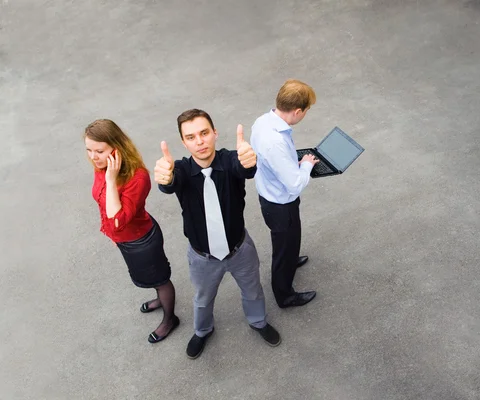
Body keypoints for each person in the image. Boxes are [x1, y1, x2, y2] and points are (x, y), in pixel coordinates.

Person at [154, 109, 281, 360]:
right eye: (191, 137)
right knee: (202, 299)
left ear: (215, 133)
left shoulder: (231, 160)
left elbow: (244, 168)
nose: (199, 141)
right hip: (202, 258)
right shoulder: (180, 170)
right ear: (183, 142)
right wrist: (164, 179)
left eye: (204, 133)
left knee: (253, 290)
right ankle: (202, 330)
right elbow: (169, 182)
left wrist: (250, 161)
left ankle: (258, 321)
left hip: (239, 250)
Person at [84, 119, 179, 344]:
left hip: (141, 241)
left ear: (116, 149)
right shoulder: (103, 167)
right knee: (151, 278)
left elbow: (118, 221)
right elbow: (104, 206)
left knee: (161, 279)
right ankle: (159, 299)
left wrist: (110, 179)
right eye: (88, 150)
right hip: (125, 241)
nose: (93, 156)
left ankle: (170, 319)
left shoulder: (137, 177)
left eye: (99, 151)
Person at [250, 79, 319, 309]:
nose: (306, 114)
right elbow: (295, 184)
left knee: (289, 241)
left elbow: (277, 164)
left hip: (271, 194)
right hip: (280, 203)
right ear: (297, 112)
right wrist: (306, 164)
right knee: (283, 246)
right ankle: (284, 295)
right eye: (307, 111)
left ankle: (290, 260)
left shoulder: (263, 121)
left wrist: (292, 163)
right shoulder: (275, 142)